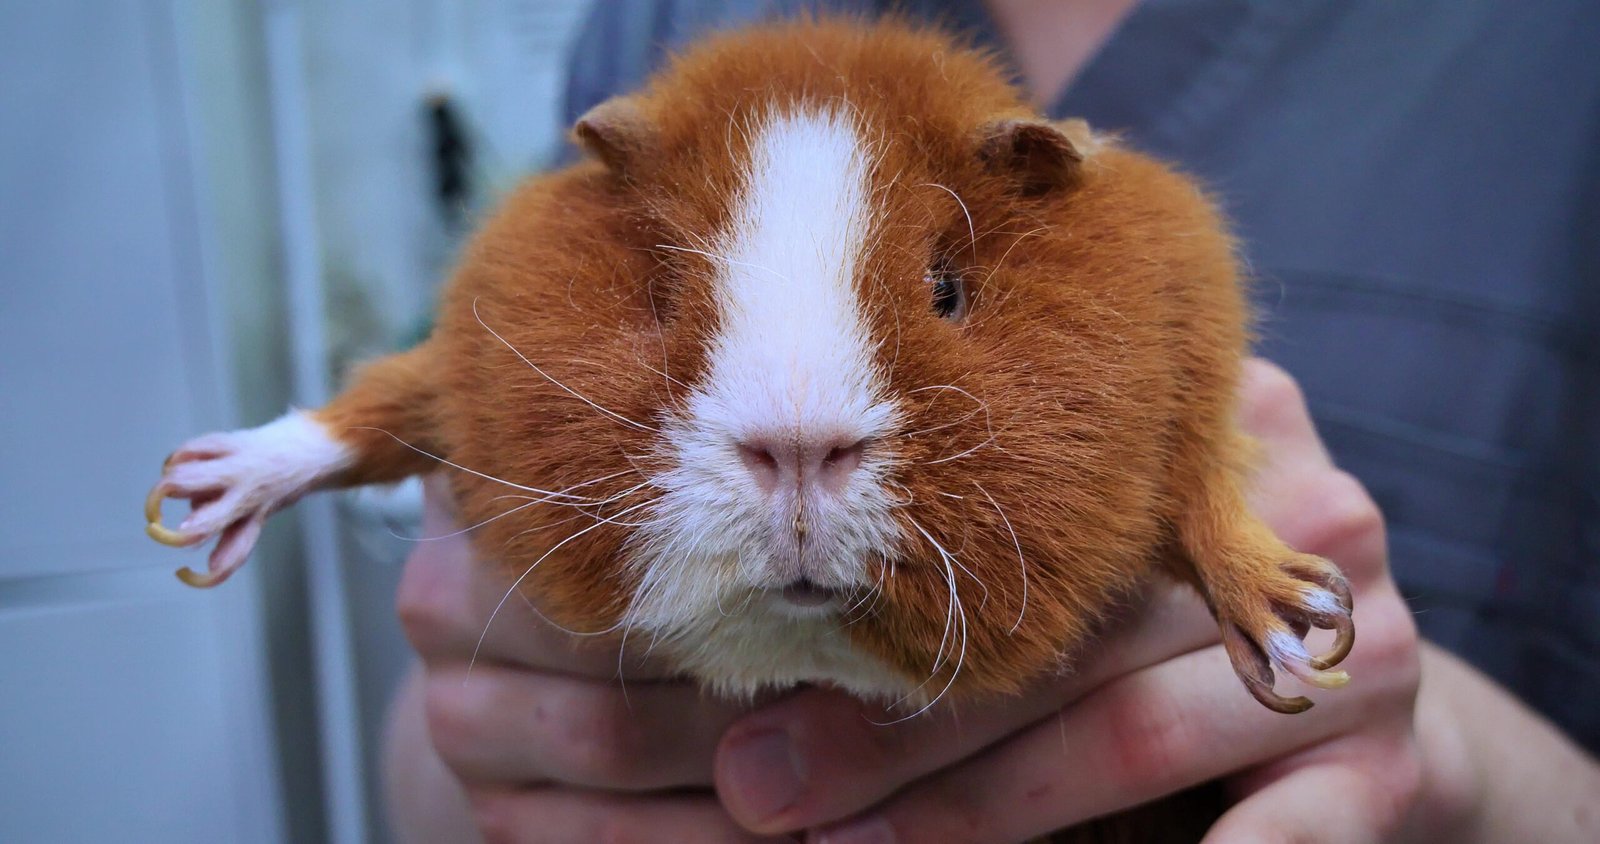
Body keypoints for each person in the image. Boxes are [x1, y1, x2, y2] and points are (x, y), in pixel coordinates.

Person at [384, 1, 1600, 840]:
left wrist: (1470, 777)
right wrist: (493, 731)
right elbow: (447, 698)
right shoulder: (653, 27)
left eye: (947, 292)